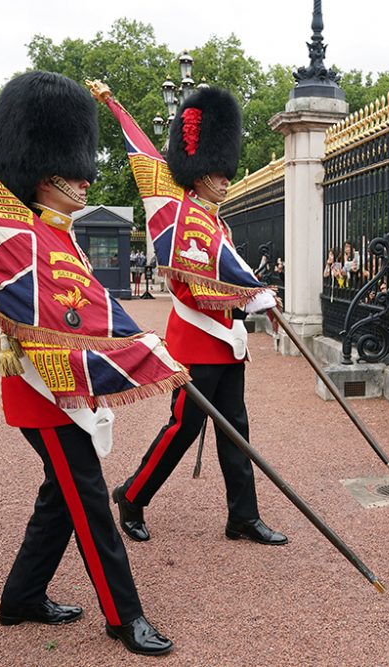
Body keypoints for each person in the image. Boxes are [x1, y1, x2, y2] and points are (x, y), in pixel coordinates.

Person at [0, 72, 174, 656]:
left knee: (59, 495)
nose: (86, 179)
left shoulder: (61, 236)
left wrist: (141, 342)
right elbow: (57, 321)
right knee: (88, 499)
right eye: (75, 170)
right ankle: (124, 615)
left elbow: (96, 311)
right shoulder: (23, 239)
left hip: (68, 389)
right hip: (43, 393)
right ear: (45, 175)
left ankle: (21, 596)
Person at [113, 87, 287, 547]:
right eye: (215, 173)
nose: (224, 180)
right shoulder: (183, 219)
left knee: (236, 430)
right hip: (196, 341)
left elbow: (230, 271)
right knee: (183, 428)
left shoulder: (215, 221)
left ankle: (242, 517)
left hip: (225, 341)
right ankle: (132, 495)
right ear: (197, 173)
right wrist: (247, 298)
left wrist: (252, 302)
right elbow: (189, 283)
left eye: (224, 172)